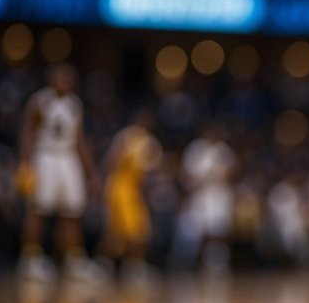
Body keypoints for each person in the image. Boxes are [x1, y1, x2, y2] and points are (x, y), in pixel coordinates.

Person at [17, 64, 105, 283]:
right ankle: (30, 258)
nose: (65, 82)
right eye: (61, 78)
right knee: (38, 209)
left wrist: (91, 172)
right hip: (45, 156)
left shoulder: (74, 104)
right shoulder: (40, 101)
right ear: (51, 79)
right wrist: (25, 164)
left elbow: (80, 141)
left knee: (72, 211)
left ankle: (74, 260)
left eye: (69, 79)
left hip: (68, 158)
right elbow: (27, 133)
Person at [102, 110, 162, 285]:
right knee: (117, 230)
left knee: (140, 231)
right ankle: (104, 265)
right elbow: (111, 162)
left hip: (135, 190)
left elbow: (151, 172)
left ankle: (133, 267)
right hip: (120, 187)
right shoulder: (126, 137)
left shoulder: (151, 143)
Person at [175, 123, 237, 272]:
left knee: (219, 229)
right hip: (200, 194)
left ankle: (217, 260)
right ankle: (199, 262)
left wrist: (214, 176)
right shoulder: (196, 149)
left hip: (218, 194)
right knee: (199, 230)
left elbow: (230, 171)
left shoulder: (223, 150)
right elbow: (186, 172)